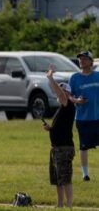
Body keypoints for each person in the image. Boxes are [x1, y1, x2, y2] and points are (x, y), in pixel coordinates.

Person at [44, 65, 75, 208]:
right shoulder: (61, 109)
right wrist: (51, 128)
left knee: (65, 178)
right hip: (56, 148)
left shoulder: (67, 104)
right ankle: (60, 204)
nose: (59, 94)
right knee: (57, 179)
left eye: (63, 92)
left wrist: (50, 78)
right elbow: (60, 126)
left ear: (68, 94)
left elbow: (61, 95)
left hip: (64, 148)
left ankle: (69, 205)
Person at [69, 50, 99, 181]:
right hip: (82, 118)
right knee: (84, 146)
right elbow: (68, 95)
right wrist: (76, 100)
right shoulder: (74, 78)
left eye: (85, 59)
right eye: (80, 59)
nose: (81, 61)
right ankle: (85, 174)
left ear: (91, 62)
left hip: (97, 117)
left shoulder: (97, 76)